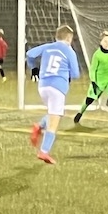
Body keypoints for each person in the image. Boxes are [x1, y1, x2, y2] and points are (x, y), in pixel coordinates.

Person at [24, 25, 81, 165]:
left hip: (43, 86)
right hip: (57, 87)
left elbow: (29, 54)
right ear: (69, 38)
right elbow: (75, 74)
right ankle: (44, 151)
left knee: (55, 113)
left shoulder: (48, 47)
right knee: (54, 122)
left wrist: (34, 68)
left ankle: (39, 126)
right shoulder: (69, 51)